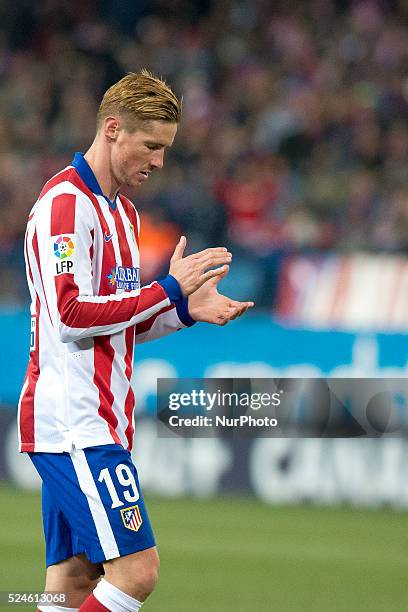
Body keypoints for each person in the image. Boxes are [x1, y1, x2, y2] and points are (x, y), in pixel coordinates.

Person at [18, 69, 253, 612]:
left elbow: (117, 324)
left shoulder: (123, 214)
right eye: (152, 145)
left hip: (101, 418)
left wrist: (181, 311)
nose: (159, 161)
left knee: (74, 582)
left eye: (166, 149)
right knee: (137, 571)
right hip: (75, 420)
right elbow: (73, 315)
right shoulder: (65, 205)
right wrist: (167, 288)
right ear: (113, 128)